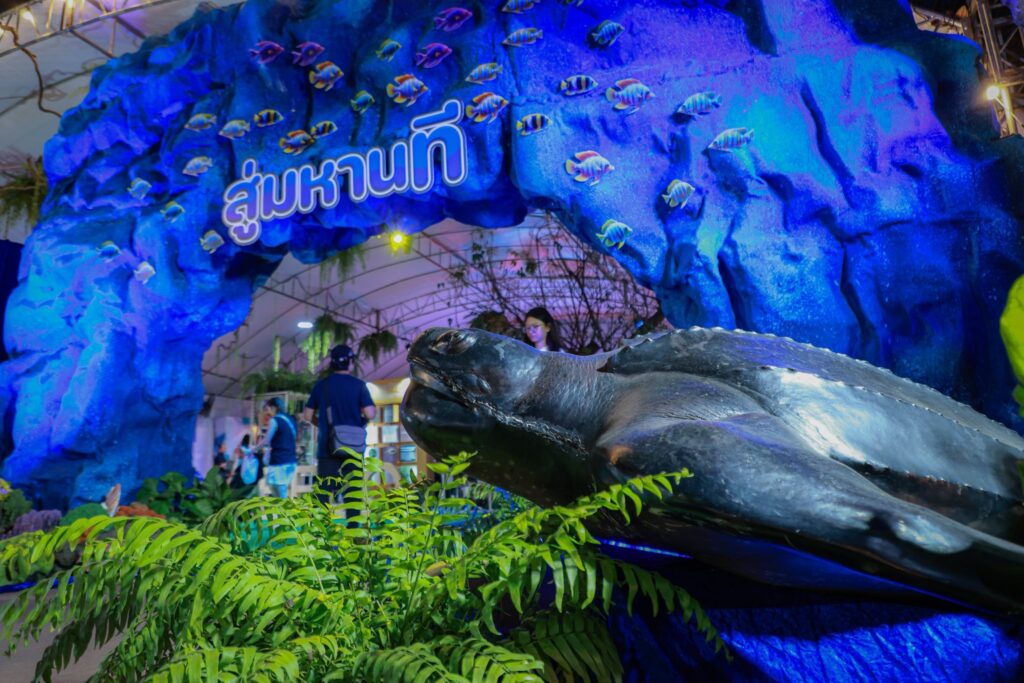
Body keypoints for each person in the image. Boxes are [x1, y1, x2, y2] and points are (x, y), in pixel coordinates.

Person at [303, 344, 376, 502]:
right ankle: (352, 519)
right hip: (353, 449)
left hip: (327, 448)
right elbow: (370, 413)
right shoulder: (359, 385)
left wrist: (322, 424)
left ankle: (322, 518)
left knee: (323, 495)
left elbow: (307, 416)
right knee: (353, 496)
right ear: (350, 362)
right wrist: (360, 421)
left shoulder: (322, 385)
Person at [253, 397, 297, 498]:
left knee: (279, 494)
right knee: (280, 490)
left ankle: (283, 508)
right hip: (291, 461)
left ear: (274, 407)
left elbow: (266, 440)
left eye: (267, 409)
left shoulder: (275, 420)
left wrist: (253, 449)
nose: (267, 412)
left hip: (279, 462)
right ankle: (283, 507)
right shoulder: (291, 419)